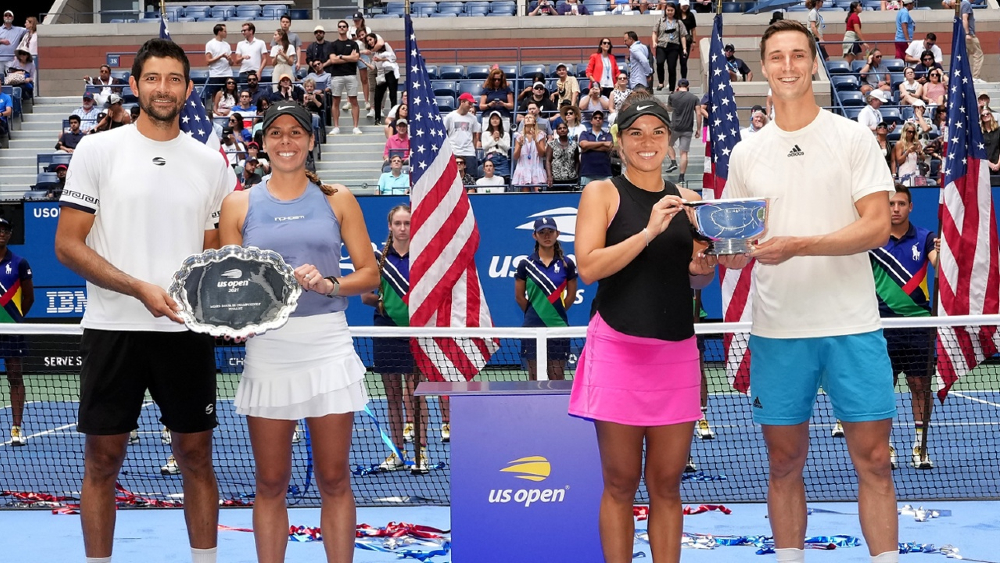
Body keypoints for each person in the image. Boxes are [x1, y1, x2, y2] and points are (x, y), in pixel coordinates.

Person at [720, 20, 897, 563]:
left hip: (853, 326)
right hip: (779, 332)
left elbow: (877, 226)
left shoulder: (852, 137)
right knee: (783, 464)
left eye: (799, 55)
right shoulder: (746, 154)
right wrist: (720, 255)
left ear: (815, 64)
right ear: (764, 68)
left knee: (875, 462)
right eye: (777, 56)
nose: (789, 66)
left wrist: (799, 245)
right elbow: (734, 247)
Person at [54, 38, 236, 563]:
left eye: (174, 79)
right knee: (102, 461)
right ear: (134, 85)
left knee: (196, 457)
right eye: (152, 78)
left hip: (185, 333)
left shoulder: (211, 164)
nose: (163, 88)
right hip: (112, 328)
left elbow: (213, 253)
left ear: (188, 89)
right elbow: (67, 244)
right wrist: (138, 288)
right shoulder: (97, 150)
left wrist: (231, 302)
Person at [218, 100, 378, 563]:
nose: (285, 141)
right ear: (263, 142)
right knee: (270, 482)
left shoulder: (338, 198)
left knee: (334, 478)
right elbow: (229, 286)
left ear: (310, 141)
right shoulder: (238, 204)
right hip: (269, 350)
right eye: (276, 133)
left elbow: (369, 274)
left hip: (328, 344)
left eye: (295, 133)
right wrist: (239, 317)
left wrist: (329, 284)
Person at [569, 96, 717, 563]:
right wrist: (650, 231)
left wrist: (702, 268)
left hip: (676, 352)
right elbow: (589, 268)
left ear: (670, 142)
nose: (646, 141)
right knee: (620, 482)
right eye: (635, 132)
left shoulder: (690, 201)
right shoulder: (601, 194)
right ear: (620, 142)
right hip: (617, 348)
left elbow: (696, 277)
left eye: (657, 132)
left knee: (667, 485)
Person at [869, 184, 937, 469]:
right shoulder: (872, 241)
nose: (895, 208)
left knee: (920, 385)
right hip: (882, 326)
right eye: (891, 204)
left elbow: (940, 266)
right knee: (884, 388)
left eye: (901, 204)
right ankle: (885, 446)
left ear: (910, 207)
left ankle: (920, 446)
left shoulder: (925, 238)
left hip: (920, 325)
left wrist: (944, 253)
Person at [360, 205, 430, 472]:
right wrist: (385, 304)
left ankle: (421, 453)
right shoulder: (377, 259)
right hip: (386, 331)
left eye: (407, 223)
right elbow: (366, 296)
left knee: (417, 394)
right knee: (392, 396)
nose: (402, 228)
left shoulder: (424, 257)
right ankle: (398, 452)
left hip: (416, 332)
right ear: (390, 226)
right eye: (398, 223)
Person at [515, 216, 578, 380]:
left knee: (557, 376)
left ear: (558, 233)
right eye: (542, 232)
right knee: (534, 378)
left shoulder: (567, 264)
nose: (547, 236)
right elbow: (520, 297)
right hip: (532, 328)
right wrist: (536, 312)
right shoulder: (525, 265)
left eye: (550, 231)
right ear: (535, 235)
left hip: (558, 328)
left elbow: (571, 296)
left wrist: (555, 312)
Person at [0, 218, 32, 446]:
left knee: (15, 376)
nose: (2, 233)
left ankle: (16, 428)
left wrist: (15, 319)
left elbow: (29, 298)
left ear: (10, 234)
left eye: (5, 230)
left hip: (11, 330)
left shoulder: (19, 263)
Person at [327, 20, 362, 135]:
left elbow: (355, 58)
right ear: (338, 29)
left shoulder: (353, 44)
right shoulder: (333, 45)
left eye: (344, 26)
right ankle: (336, 127)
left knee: (354, 101)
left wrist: (341, 57)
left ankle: (355, 127)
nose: (342, 28)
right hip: (336, 76)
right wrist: (348, 58)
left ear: (347, 29)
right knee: (335, 101)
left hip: (351, 75)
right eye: (340, 26)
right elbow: (333, 60)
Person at [667, 78, 699, 183]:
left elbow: (669, 109)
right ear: (688, 87)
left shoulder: (672, 96)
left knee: (668, 144)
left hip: (674, 126)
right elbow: (698, 113)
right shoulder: (694, 98)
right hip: (688, 128)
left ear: (678, 86)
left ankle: (673, 162)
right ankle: (681, 177)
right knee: (684, 153)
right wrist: (699, 129)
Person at [651, 3, 688, 92]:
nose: (670, 12)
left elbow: (683, 36)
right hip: (661, 45)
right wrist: (654, 42)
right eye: (668, 10)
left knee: (672, 67)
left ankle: (672, 88)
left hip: (673, 46)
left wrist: (684, 48)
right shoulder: (660, 20)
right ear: (665, 11)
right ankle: (661, 82)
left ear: (675, 11)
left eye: (671, 10)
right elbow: (654, 32)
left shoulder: (679, 22)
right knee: (659, 62)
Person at [444, 93, 482, 175]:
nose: (471, 106)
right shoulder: (450, 117)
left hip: (469, 152)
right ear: (462, 102)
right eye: (469, 103)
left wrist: (473, 148)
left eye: (472, 104)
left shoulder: (473, 118)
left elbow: (475, 135)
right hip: (454, 151)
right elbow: (444, 133)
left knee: (471, 177)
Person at [364, 33, 398, 124]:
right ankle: (377, 119)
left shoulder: (386, 45)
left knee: (393, 96)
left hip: (390, 73)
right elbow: (373, 66)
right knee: (377, 97)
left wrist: (381, 60)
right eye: (368, 41)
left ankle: (394, 118)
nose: (369, 42)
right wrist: (365, 62)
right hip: (381, 76)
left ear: (375, 39)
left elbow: (393, 58)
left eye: (370, 39)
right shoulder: (374, 52)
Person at [511, 114, 548, 192]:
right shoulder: (519, 136)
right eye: (526, 118)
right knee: (525, 196)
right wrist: (520, 145)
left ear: (534, 122)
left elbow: (542, 154)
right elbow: (515, 156)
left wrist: (536, 141)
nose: (528, 119)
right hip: (523, 168)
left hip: (536, 167)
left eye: (530, 117)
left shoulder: (540, 134)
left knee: (538, 193)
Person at [578, 110, 613, 185]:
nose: (598, 119)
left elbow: (609, 147)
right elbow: (583, 145)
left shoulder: (608, 135)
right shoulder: (585, 133)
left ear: (602, 121)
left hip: (604, 172)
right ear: (591, 121)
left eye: (600, 118)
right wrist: (603, 143)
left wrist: (588, 147)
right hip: (587, 172)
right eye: (595, 118)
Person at [547, 121, 580, 190]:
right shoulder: (552, 144)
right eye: (559, 128)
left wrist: (575, 173)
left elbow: (577, 160)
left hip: (571, 179)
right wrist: (549, 176)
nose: (562, 130)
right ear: (557, 131)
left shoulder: (574, 144)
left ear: (567, 130)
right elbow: (548, 161)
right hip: (556, 179)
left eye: (564, 128)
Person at [204, 24, 233, 100]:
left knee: (229, 94)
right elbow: (208, 61)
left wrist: (230, 59)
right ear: (219, 32)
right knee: (215, 95)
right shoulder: (210, 44)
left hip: (227, 73)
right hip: (215, 74)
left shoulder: (227, 45)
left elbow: (231, 63)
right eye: (224, 31)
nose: (226, 33)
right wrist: (221, 56)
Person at [0, 10, 26, 77]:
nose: (8, 17)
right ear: (3, 17)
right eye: (6, 15)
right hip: (0, 58)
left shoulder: (19, 30)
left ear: (13, 18)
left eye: (10, 15)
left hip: (11, 60)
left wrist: (44, 22)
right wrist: (1, 41)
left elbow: (31, 28)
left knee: (11, 78)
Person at [677, 0, 697, 82]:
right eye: (683, 6)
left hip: (686, 41)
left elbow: (693, 29)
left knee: (683, 62)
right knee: (672, 62)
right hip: (675, 40)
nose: (684, 7)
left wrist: (694, 41)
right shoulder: (676, 14)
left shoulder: (690, 15)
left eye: (686, 6)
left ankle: (683, 80)